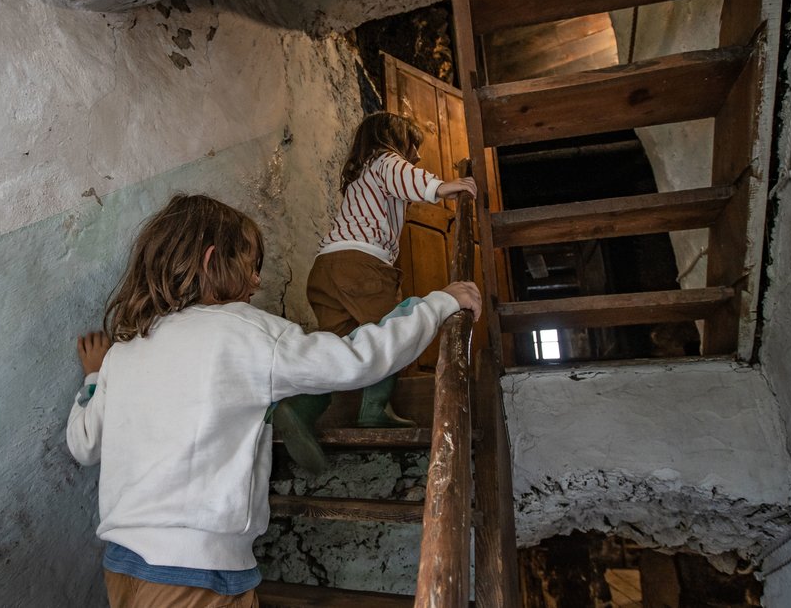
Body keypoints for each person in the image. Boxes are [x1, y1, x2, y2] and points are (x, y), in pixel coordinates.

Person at [66, 193, 480, 608]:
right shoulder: (244, 332)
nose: (258, 281)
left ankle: (279, 405)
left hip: (121, 566)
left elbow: (84, 446)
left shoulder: (126, 350)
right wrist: (437, 304)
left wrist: (94, 377)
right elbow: (358, 359)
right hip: (196, 572)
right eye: (250, 265)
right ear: (213, 261)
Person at [273, 112, 477, 473]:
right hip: (361, 265)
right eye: (413, 147)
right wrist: (444, 187)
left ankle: (302, 406)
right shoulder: (385, 160)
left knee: (339, 350)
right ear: (394, 140)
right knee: (393, 329)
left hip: (326, 270)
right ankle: (374, 410)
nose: (416, 157)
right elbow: (405, 175)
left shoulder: (360, 177)